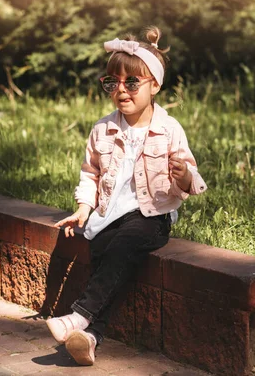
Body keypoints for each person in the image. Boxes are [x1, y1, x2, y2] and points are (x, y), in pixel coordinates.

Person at [49, 26, 207, 366]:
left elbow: (192, 176)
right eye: (112, 83)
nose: (121, 90)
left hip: (153, 215)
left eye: (132, 83)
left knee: (124, 244)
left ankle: (79, 316)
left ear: (154, 86)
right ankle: (91, 336)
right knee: (109, 255)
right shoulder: (102, 129)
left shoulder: (169, 129)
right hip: (109, 213)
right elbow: (90, 173)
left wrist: (184, 178)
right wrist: (82, 208)